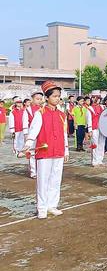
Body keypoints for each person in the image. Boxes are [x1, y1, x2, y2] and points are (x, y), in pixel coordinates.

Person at [23, 81, 69, 219]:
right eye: (54, 96)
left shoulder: (62, 115)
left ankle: (52, 205)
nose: (57, 98)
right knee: (43, 180)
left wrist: (66, 150)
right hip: (44, 151)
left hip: (59, 150)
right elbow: (34, 130)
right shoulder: (40, 113)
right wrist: (29, 143)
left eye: (59, 96)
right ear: (47, 97)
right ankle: (42, 207)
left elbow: (64, 134)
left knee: (56, 179)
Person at [22, 90, 43, 178]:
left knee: (41, 152)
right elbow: (25, 123)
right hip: (32, 135)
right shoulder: (28, 110)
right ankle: (33, 172)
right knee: (32, 153)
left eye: (41, 99)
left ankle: (41, 170)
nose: (39, 100)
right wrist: (26, 135)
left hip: (42, 134)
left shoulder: (43, 109)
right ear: (32, 99)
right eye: (37, 99)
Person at [86, 94, 105, 166]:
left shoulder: (102, 107)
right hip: (94, 128)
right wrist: (89, 130)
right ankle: (94, 161)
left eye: (98, 98)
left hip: (102, 128)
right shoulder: (90, 108)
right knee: (95, 144)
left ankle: (100, 160)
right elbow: (89, 120)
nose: (97, 100)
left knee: (102, 144)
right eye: (95, 98)